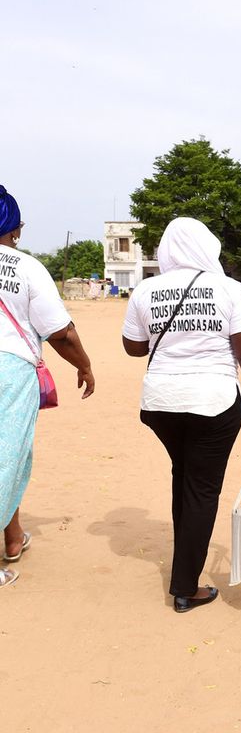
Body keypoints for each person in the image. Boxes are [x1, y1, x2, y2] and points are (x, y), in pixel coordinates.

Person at [122, 217, 241, 613]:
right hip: (213, 402)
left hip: (160, 404)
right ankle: (185, 588)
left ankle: (183, 569)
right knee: (202, 490)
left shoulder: (146, 288)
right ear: (207, 247)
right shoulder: (229, 289)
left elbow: (134, 348)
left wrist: (168, 334)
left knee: (185, 478)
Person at [0, 185, 95, 588]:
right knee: (7, 454)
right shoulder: (25, 268)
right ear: (15, 230)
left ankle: (12, 538)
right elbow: (60, 333)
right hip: (9, 372)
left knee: (14, 455)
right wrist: (85, 365)